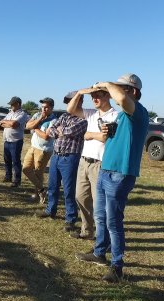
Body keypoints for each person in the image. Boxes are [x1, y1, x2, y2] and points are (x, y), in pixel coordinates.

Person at [76, 74, 149, 283]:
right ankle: (99, 252)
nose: (114, 91)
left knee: (113, 222)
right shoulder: (122, 116)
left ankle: (117, 267)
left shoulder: (138, 111)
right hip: (106, 169)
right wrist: (109, 131)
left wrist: (105, 84)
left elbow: (121, 99)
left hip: (120, 173)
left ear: (133, 92)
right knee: (100, 217)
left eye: (121, 88)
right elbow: (117, 136)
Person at [66, 88, 118, 240]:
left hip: (99, 163)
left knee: (99, 204)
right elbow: (70, 109)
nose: (94, 99)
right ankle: (87, 231)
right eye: (92, 96)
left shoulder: (115, 115)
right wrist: (80, 93)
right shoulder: (91, 113)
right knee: (80, 197)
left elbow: (105, 138)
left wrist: (89, 135)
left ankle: (103, 238)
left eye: (98, 96)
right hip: (84, 161)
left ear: (108, 96)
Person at [38, 95, 88, 233]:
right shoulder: (64, 116)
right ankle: (50, 210)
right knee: (52, 186)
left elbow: (70, 131)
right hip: (56, 156)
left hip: (70, 158)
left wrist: (60, 131)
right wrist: (60, 131)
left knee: (68, 190)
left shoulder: (84, 119)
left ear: (80, 101)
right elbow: (52, 130)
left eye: (71, 101)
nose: (68, 104)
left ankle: (70, 219)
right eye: (67, 102)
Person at [22, 97, 57, 203]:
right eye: (42, 107)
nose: (43, 110)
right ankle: (42, 190)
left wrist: (35, 128)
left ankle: (37, 195)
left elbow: (46, 137)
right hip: (33, 146)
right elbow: (27, 126)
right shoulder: (37, 115)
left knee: (38, 173)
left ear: (51, 108)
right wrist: (39, 120)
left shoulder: (54, 120)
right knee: (26, 169)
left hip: (44, 150)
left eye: (46, 108)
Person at [0, 97, 29, 187]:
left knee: (15, 161)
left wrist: (7, 123)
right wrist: (8, 123)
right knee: (7, 160)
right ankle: (8, 176)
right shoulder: (10, 113)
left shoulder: (22, 114)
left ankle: (17, 180)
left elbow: (14, 124)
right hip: (7, 140)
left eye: (12, 104)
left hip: (16, 141)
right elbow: (0, 123)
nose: (11, 106)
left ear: (18, 104)